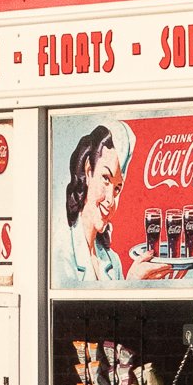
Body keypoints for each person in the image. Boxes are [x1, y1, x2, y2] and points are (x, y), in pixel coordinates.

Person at [57, 121, 132, 286]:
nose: (110, 200)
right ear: (88, 170)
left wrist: (135, 284)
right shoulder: (61, 253)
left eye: (117, 188)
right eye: (106, 179)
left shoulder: (113, 261)